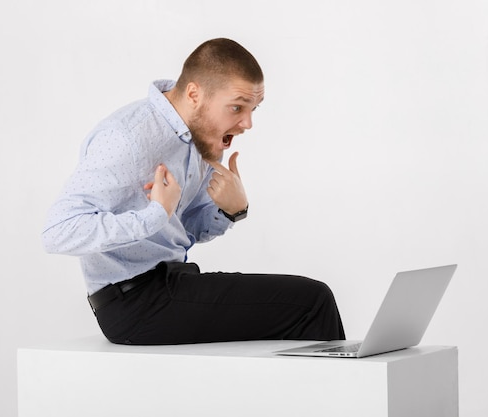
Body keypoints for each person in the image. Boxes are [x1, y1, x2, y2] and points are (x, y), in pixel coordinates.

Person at [42, 38, 345, 345]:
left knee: (298, 315)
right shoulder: (127, 138)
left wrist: (230, 211)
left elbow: (185, 231)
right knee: (312, 303)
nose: (248, 123)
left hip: (175, 283)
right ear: (194, 94)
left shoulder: (200, 140)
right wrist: (154, 215)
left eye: (254, 109)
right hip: (133, 304)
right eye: (237, 107)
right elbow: (57, 231)